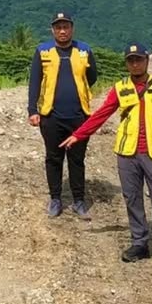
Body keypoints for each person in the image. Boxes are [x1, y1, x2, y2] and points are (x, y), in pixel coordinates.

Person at [60, 42, 152, 268]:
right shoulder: (120, 87)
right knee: (132, 198)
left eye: (139, 59)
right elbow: (102, 114)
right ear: (126, 63)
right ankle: (139, 243)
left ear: (147, 60)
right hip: (127, 153)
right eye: (131, 60)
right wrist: (79, 134)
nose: (135, 63)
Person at [27, 12, 97, 219]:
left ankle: (78, 200)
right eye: (58, 27)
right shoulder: (43, 51)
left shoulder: (84, 50)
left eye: (66, 26)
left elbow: (92, 76)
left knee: (77, 159)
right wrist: (33, 110)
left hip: (79, 115)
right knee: (53, 158)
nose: (62, 31)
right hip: (51, 116)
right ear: (53, 30)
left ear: (72, 28)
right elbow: (35, 82)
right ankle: (55, 199)